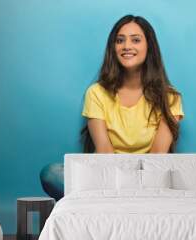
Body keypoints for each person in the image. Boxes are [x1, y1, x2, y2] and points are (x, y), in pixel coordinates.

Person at [41, 15, 184, 199]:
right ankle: (123, 203)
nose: (126, 46)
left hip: (147, 179)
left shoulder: (169, 97)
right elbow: (105, 153)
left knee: (179, 181)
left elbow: (157, 156)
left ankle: (116, 204)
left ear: (149, 47)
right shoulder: (96, 92)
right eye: (120, 40)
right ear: (113, 48)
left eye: (136, 40)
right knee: (51, 173)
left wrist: (135, 183)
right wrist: (120, 184)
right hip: (105, 176)